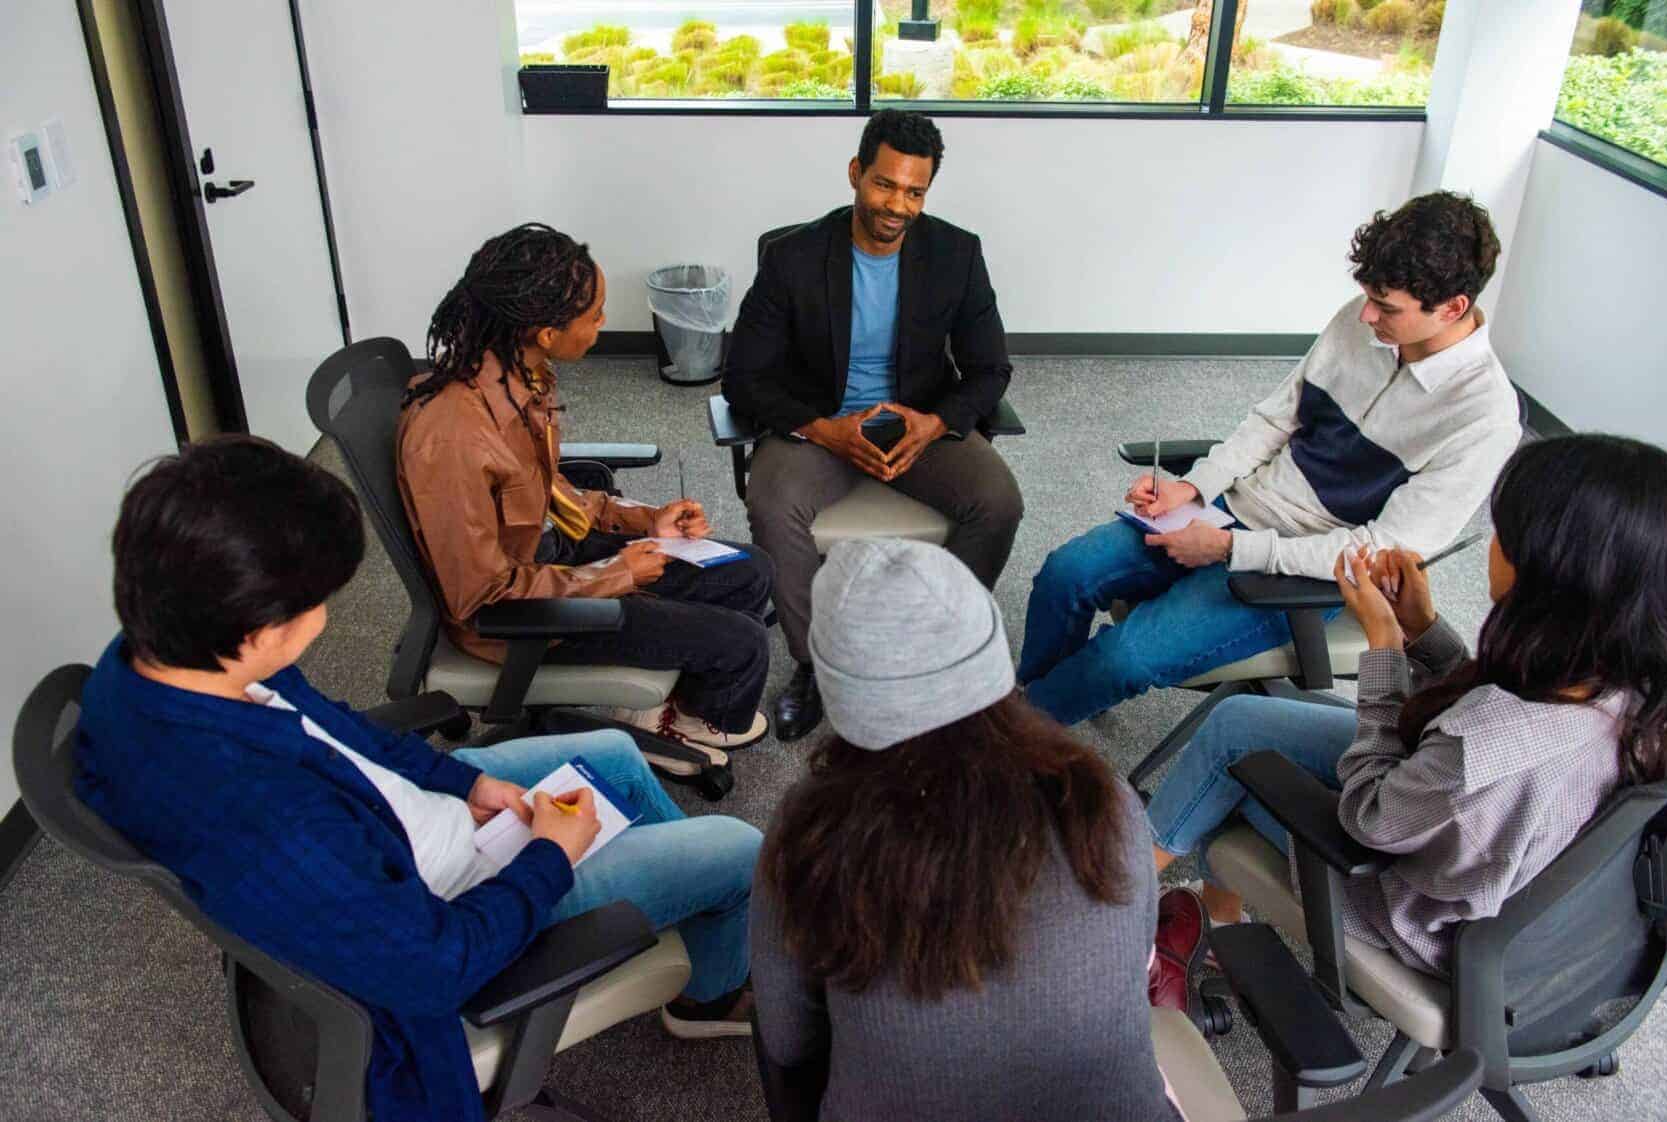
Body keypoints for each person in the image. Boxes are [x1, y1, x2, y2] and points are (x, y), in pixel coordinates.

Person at [75, 437, 765, 1122]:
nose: (325, 615)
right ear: (257, 630)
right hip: (452, 902)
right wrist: (550, 857)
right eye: (318, 601)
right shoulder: (262, 814)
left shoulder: (166, 649)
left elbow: (339, 732)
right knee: (738, 848)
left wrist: (462, 785)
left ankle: (688, 928)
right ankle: (705, 979)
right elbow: (434, 966)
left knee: (613, 754)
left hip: (393, 818)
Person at [1142, 434, 1667, 1009]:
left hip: (1410, 916)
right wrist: (1423, 630)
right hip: (1525, 911)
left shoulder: (1483, 749)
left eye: (1504, 534)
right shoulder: (1630, 684)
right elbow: (1482, 722)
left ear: (1547, 574)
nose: (1491, 544)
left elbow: (1370, 816)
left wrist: (1384, 649)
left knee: (1239, 758)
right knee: (1258, 722)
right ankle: (1208, 916)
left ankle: (1127, 903)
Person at [1020, 191, 1523, 727]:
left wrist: (1232, 548)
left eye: (1388, 307)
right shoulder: (1358, 320)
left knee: (1125, 657)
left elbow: (1374, 552)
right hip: (1233, 510)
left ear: (1453, 307)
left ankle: (1013, 735)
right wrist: (1196, 488)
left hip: (1306, 571)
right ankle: (1043, 713)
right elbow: (1275, 418)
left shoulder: (1484, 418)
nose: (1367, 314)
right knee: (1065, 574)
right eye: (1367, 297)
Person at [752, 539, 1178, 1121]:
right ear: (991, 650)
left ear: (838, 687)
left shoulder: (809, 832)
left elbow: (787, 1039)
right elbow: (1127, 968)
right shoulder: (1103, 798)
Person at [398, 222, 773, 752]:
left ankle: (673, 696)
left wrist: (645, 519)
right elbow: (483, 596)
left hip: (552, 556)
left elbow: (547, 489)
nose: (603, 324)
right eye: (595, 315)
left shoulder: (519, 372)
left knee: (749, 571)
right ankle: (680, 725)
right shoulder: (453, 436)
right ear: (547, 333)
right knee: (743, 643)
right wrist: (617, 573)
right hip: (523, 615)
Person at [724, 108, 1024, 743]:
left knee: (998, 500)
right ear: (857, 174)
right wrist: (823, 429)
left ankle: (934, 647)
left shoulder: (957, 253)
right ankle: (815, 665)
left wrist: (935, 421)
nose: (898, 205)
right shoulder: (792, 258)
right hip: (823, 423)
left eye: (915, 191)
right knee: (772, 502)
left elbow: (990, 368)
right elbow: (743, 378)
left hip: (914, 421)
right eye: (885, 185)